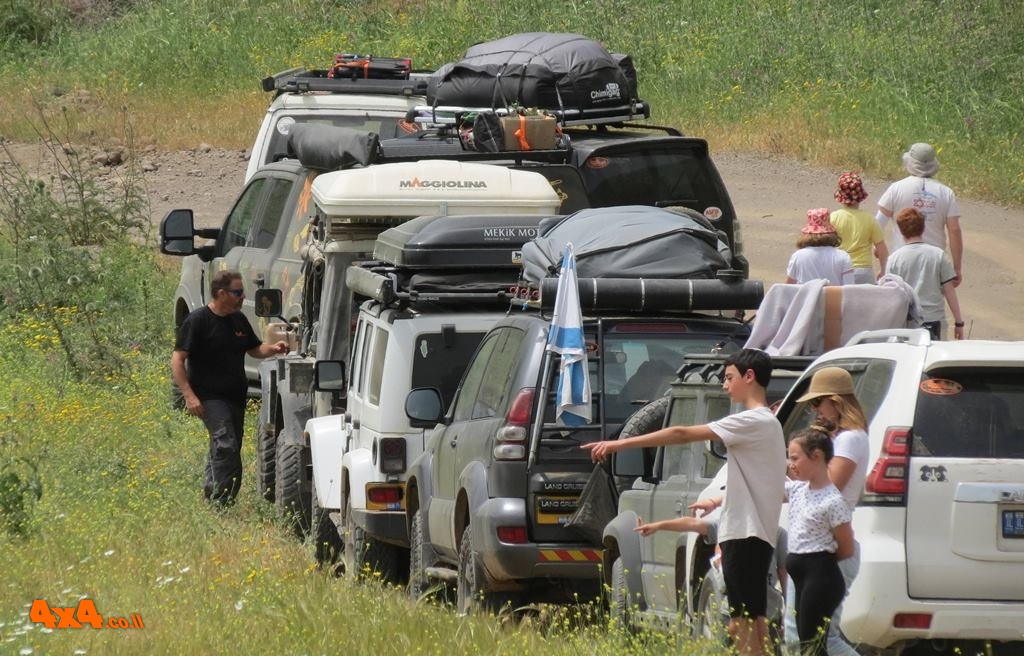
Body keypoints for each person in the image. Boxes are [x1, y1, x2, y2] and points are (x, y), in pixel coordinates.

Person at [584, 349, 785, 656]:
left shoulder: (751, 420)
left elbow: (681, 433)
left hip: (744, 537)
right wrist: (719, 499)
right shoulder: (767, 423)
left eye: (729, 378)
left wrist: (619, 443)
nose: (725, 385)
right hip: (754, 536)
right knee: (754, 623)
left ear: (749, 377)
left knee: (741, 626)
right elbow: (759, 482)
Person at [171, 270, 289, 506]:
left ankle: (211, 490)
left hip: (235, 397)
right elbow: (177, 359)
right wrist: (189, 395)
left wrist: (274, 348)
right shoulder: (197, 321)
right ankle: (222, 501)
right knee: (226, 444)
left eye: (242, 291)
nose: (242, 296)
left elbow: (255, 349)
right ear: (221, 293)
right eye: (237, 292)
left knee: (226, 444)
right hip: (208, 396)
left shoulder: (238, 320)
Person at [784, 367, 871, 656]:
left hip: (827, 548)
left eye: (817, 402)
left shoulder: (850, 438)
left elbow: (828, 485)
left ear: (835, 401)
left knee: (817, 639)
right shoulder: (842, 438)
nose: (815, 410)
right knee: (806, 637)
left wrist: (796, 467)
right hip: (816, 549)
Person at [784, 427, 855, 656]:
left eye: (795, 458)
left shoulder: (833, 500)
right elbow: (762, 489)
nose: (791, 464)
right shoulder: (797, 490)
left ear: (816, 456)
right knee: (806, 640)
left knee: (812, 644)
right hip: (803, 576)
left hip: (820, 576)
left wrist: (818, 562)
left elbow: (847, 547)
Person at [876, 142, 963, 286]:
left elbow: (879, 223)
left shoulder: (896, 188)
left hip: (902, 256)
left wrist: (879, 253)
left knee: (901, 301)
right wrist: (957, 267)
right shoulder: (946, 192)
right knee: (931, 301)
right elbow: (954, 230)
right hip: (934, 259)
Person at [885, 208, 965, 340]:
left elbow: (890, 295)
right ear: (923, 228)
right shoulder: (938, 255)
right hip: (935, 320)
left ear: (900, 230)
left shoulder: (894, 259)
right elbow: (949, 291)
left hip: (906, 322)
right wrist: (959, 322)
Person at [829, 172, 888, 284]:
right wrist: (884, 270)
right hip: (864, 269)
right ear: (861, 197)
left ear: (840, 197)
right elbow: (882, 249)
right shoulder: (870, 219)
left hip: (840, 268)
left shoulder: (833, 218)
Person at [785, 208, 855, 286]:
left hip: (806, 297)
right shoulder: (842, 256)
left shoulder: (798, 256)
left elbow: (789, 286)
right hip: (832, 297)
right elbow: (848, 287)